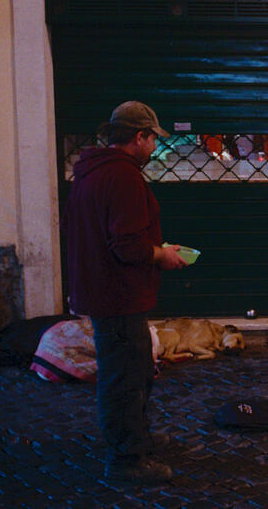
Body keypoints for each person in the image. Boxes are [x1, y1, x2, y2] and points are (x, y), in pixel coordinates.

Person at [63, 101, 188, 483]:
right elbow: (127, 245)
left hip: (102, 290)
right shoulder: (124, 177)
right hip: (118, 294)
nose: (154, 148)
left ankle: (136, 438)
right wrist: (161, 254)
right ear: (140, 137)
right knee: (126, 377)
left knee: (129, 373)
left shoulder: (89, 171)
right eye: (153, 139)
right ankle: (127, 460)